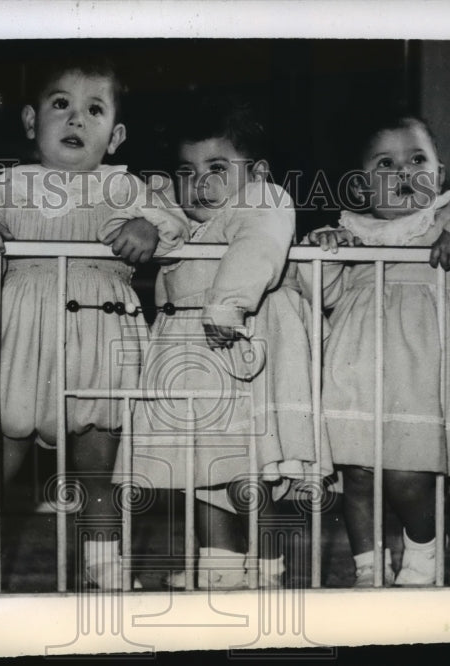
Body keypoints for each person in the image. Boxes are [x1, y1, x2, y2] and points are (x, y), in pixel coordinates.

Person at [0, 55, 189, 591]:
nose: (76, 120)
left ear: (116, 135)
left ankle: (107, 570)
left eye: (93, 110)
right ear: (32, 122)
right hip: (20, 334)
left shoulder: (127, 190)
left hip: (101, 335)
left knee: (100, 462)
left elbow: (177, 228)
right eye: (61, 105)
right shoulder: (6, 186)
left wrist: (149, 227)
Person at [308, 113, 450, 586]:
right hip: (360, 371)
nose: (404, 173)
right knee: (359, 476)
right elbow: (319, 296)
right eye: (385, 164)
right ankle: (368, 568)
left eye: (416, 160)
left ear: (440, 174)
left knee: (411, 476)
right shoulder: (354, 235)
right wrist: (323, 254)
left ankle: (423, 555)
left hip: (428, 376)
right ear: (363, 187)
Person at [125, 94, 332, 589]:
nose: (201, 183)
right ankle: (219, 561)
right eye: (187, 170)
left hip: (245, 338)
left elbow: (258, 246)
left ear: (256, 172)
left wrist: (228, 303)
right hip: (194, 349)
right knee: (202, 460)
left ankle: (266, 563)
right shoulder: (181, 224)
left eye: (217, 166)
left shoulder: (262, 200)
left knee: (256, 464)